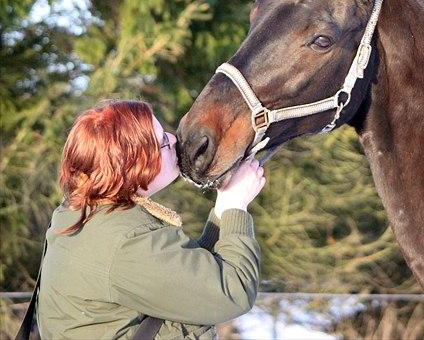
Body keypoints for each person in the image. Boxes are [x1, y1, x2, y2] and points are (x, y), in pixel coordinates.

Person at [36, 100, 266, 339]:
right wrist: (236, 207)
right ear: (132, 164)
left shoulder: (83, 214)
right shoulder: (127, 241)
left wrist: (223, 208)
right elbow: (232, 293)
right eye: (163, 142)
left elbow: (185, 275)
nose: (175, 139)